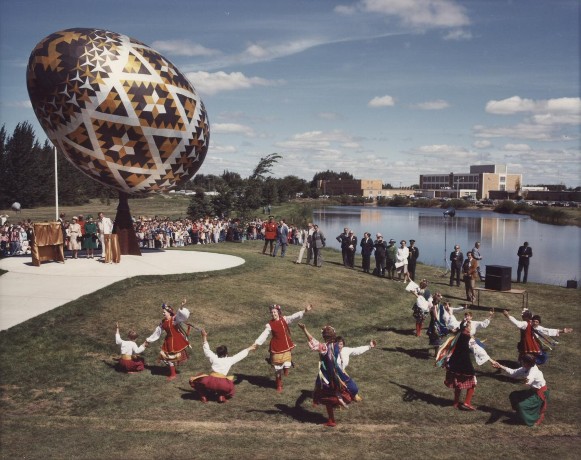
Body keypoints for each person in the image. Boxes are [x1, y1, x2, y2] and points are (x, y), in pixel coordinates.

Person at [298, 323, 359, 427]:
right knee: (345, 389)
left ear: (324, 337)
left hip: (327, 377)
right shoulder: (335, 345)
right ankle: (333, 415)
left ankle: (332, 417)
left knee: (326, 397)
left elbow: (313, 341)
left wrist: (304, 330)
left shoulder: (324, 347)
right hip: (337, 372)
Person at [254, 303, 312, 392]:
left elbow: (293, 317)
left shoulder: (284, 319)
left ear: (279, 312)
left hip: (285, 344)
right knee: (277, 369)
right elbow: (264, 335)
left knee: (287, 362)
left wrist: (305, 310)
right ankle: (279, 384)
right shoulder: (270, 325)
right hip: (276, 346)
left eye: (275, 312)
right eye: (272, 312)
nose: (273, 314)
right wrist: (257, 344)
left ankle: (286, 368)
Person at [189, 329, 257, 403]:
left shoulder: (214, 357)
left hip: (210, 381)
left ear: (217, 353)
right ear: (227, 353)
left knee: (196, 378)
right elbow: (240, 355)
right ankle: (222, 396)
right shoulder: (230, 360)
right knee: (230, 387)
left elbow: (207, 350)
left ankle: (203, 396)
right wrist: (249, 348)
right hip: (223, 384)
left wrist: (204, 337)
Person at [490, 354, 549, 427]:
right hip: (532, 391)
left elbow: (529, 380)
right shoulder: (525, 368)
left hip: (539, 394)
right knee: (514, 395)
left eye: (522, 361)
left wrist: (526, 381)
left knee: (522, 405)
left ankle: (534, 419)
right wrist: (500, 366)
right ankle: (521, 414)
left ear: (527, 363)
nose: (521, 362)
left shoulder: (533, 371)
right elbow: (513, 373)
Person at [503, 309, 572, 364]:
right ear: (531, 321)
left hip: (532, 344)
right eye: (534, 321)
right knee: (524, 354)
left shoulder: (537, 327)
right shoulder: (525, 324)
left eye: (537, 322)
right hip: (525, 343)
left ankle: (528, 365)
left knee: (533, 356)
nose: (535, 323)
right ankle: (522, 365)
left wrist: (562, 331)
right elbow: (517, 323)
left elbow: (547, 330)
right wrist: (508, 316)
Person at [437, 318, 478, 410]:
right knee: (473, 382)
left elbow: (460, 328)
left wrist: (464, 322)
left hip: (455, 363)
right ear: (467, 329)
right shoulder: (467, 336)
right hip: (465, 363)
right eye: (470, 326)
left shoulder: (459, 334)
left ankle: (455, 403)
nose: (471, 328)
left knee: (458, 383)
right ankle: (467, 402)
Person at [146, 299, 191, 381]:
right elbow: (157, 332)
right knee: (169, 358)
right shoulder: (163, 322)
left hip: (176, 341)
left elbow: (182, 315)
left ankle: (173, 374)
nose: (163, 313)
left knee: (170, 358)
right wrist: (148, 340)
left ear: (169, 312)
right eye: (163, 312)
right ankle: (173, 372)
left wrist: (181, 306)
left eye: (164, 312)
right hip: (169, 341)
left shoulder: (174, 319)